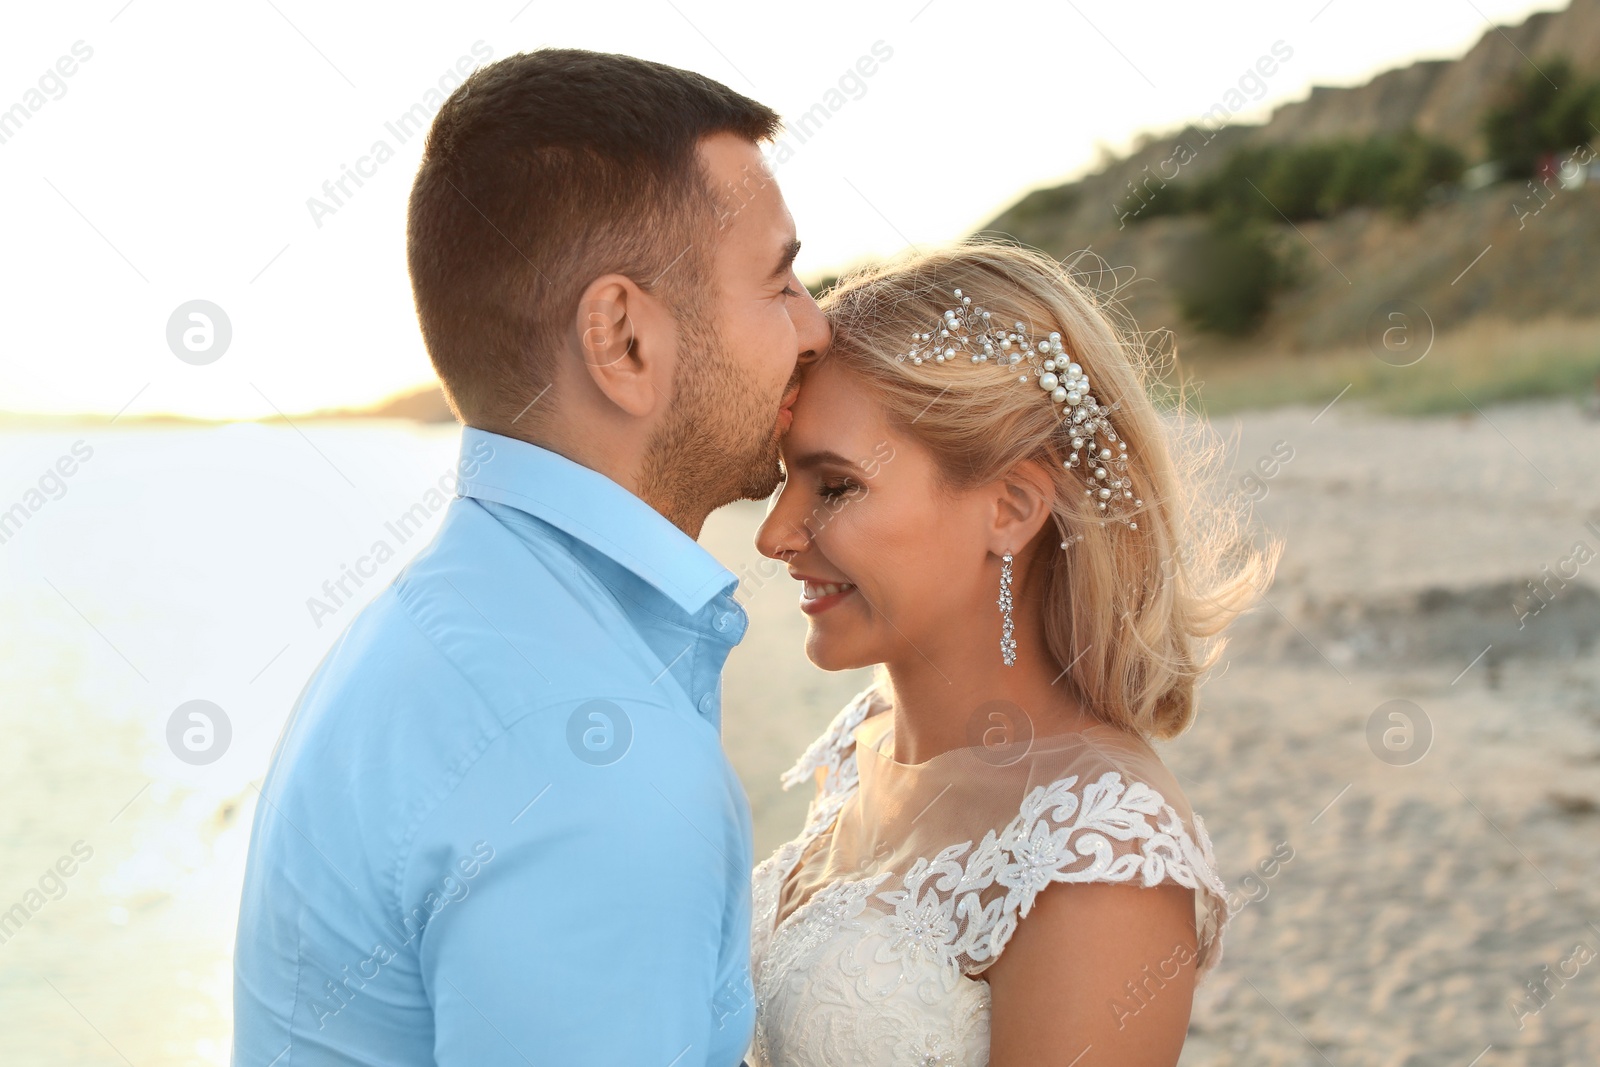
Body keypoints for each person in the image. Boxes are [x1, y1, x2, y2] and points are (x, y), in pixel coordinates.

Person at [232, 49, 828, 1065]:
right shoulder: (596, 757)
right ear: (624, 340)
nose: (817, 326)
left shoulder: (428, 626)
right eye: (780, 281)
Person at [749, 242, 1278, 1066]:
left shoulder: (1103, 853)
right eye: (787, 480)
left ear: (1011, 508)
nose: (776, 534)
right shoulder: (863, 745)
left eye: (836, 485)